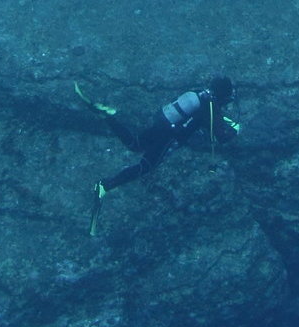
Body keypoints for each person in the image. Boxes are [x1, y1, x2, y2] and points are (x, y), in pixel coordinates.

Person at [78, 78, 239, 224]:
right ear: (222, 95)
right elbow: (220, 136)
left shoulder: (199, 93)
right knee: (146, 166)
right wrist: (236, 129)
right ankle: (105, 186)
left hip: (162, 123)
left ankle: (108, 117)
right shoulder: (210, 108)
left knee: (135, 144)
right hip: (169, 136)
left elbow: (200, 117)